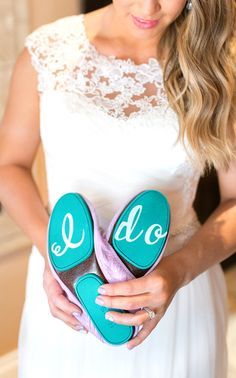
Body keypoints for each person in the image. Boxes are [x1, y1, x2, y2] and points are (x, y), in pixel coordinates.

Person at [0, 0, 235, 377]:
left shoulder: (217, 61)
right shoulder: (47, 51)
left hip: (173, 292)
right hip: (68, 292)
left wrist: (177, 273)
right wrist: (61, 261)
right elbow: (8, 166)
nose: (149, 6)